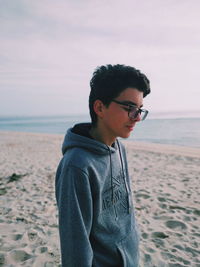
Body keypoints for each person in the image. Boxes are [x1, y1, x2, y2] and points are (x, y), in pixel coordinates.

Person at [55, 64, 151, 267]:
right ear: (99, 107)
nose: (137, 117)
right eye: (129, 108)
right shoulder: (76, 166)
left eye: (140, 109)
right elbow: (75, 244)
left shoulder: (119, 148)